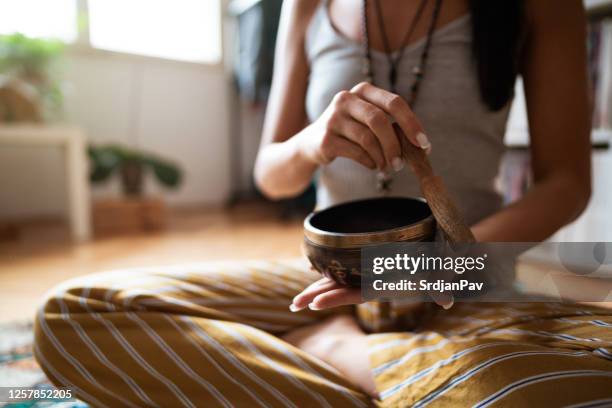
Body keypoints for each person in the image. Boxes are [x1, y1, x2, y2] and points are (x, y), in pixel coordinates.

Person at [35, 0, 612, 406]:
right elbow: (272, 176)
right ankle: (410, 378)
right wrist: (310, 142)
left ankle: (346, 359)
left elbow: (566, 183)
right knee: (73, 319)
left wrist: (440, 267)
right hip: (326, 285)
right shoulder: (308, 3)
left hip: (466, 277)